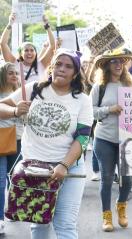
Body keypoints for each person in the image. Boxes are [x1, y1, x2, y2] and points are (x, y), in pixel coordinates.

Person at [0, 48, 93, 238]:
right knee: (39, 224)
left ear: (75, 73)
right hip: (34, 169)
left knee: (65, 224)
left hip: (69, 170)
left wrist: (64, 165)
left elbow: (83, 137)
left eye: (68, 66)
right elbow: (2, 106)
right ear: (51, 67)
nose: (62, 69)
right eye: (58, 64)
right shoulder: (34, 89)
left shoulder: (83, 100)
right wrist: (15, 111)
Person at [90, 49, 132, 232]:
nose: (118, 65)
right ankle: (106, 216)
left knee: (128, 179)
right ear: (107, 65)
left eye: (121, 62)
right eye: (114, 61)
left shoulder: (131, 85)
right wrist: (109, 109)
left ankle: (121, 206)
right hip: (104, 138)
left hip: (127, 139)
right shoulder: (99, 87)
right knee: (106, 179)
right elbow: (90, 111)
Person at [0, 62, 23, 234]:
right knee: (1, 181)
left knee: (15, 179)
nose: (14, 75)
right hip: (1, 140)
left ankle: (14, 210)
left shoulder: (22, 94)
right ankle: (0, 219)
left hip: (19, 141)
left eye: (16, 72)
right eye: (10, 73)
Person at [0, 13, 55, 83]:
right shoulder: (14, 63)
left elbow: (52, 46)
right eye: (26, 50)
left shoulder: (41, 64)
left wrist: (47, 25)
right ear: (21, 53)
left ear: (35, 53)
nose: (29, 52)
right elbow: (3, 44)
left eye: (32, 50)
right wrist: (10, 24)